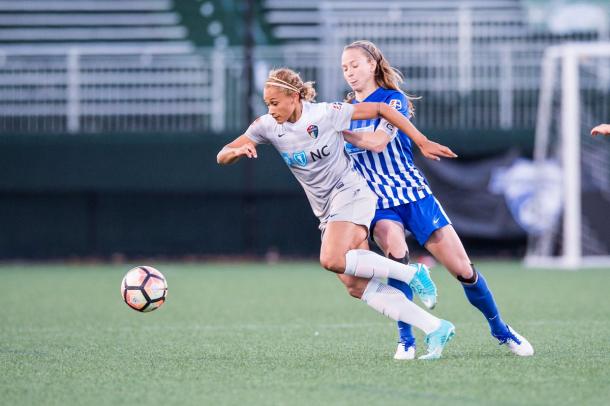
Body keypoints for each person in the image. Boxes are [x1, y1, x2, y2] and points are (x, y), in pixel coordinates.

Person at [217, 67, 457, 359]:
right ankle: (435, 327)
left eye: (275, 102)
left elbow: (382, 108)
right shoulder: (267, 126)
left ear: (294, 97)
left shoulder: (324, 114)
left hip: (352, 193)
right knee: (355, 285)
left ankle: (413, 272)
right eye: (267, 103)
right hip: (326, 210)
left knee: (331, 259)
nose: (271, 108)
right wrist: (237, 152)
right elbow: (222, 155)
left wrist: (421, 141)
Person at [339, 40, 534, 360]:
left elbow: (376, 142)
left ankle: (500, 329)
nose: (349, 72)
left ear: (372, 65)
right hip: (378, 203)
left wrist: (340, 132)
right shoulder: (343, 110)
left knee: (464, 270)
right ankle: (406, 340)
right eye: (344, 68)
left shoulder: (393, 100)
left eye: (355, 65)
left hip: (415, 196)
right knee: (397, 257)